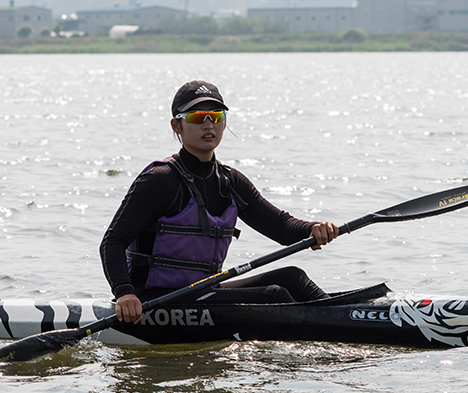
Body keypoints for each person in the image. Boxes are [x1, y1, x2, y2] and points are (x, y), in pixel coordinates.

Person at [100, 80, 339, 324]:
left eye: (216, 116)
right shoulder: (160, 181)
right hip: (153, 302)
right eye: (197, 116)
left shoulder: (230, 182)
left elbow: (280, 227)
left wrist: (313, 229)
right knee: (273, 295)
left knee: (293, 278)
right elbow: (112, 242)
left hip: (201, 294)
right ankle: (330, 336)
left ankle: (349, 316)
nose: (208, 125)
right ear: (177, 125)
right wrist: (124, 293)